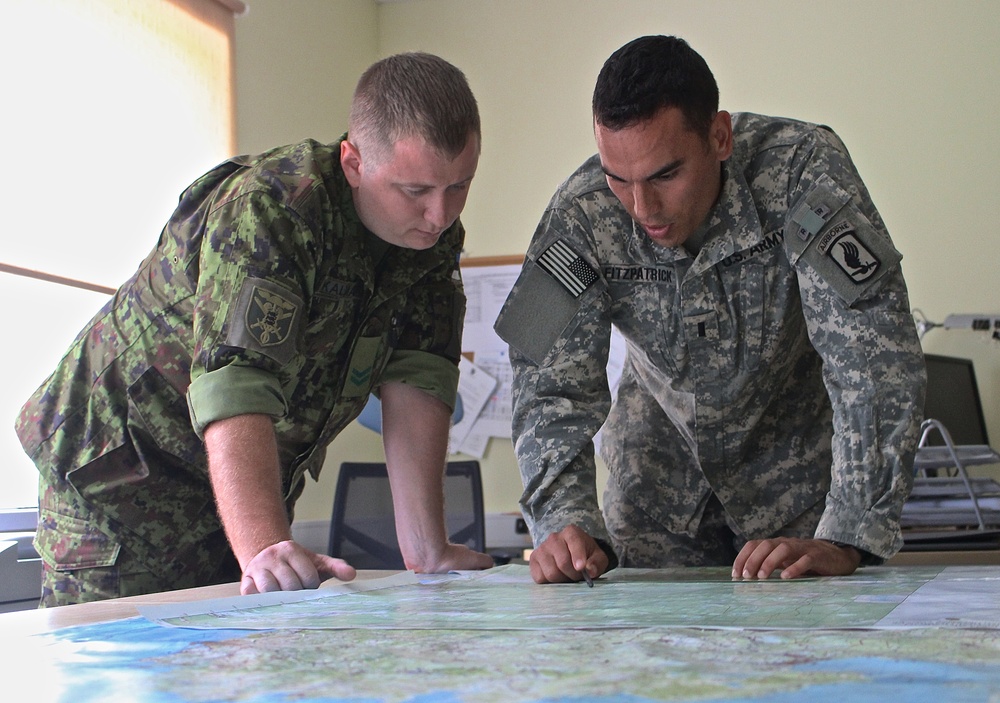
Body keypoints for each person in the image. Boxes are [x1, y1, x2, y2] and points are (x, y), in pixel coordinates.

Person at [17, 52, 494, 607]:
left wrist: (428, 551)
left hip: (234, 495)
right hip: (118, 485)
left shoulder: (428, 244)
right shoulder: (273, 210)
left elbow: (418, 380)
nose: (440, 214)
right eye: (415, 191)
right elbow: (237, 379)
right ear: (354, 163)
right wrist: (265, 544)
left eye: (459, 186)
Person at [495, 35, 926, 585]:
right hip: (656, 494)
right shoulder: (579, 213)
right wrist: (563, 521)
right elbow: (544, 380)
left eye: (665, 175)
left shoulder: (800, 170)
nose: (641, 208)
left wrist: (847, 532)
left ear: (719, 136)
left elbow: (872, 354)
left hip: (800, 498)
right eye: (618, 178)